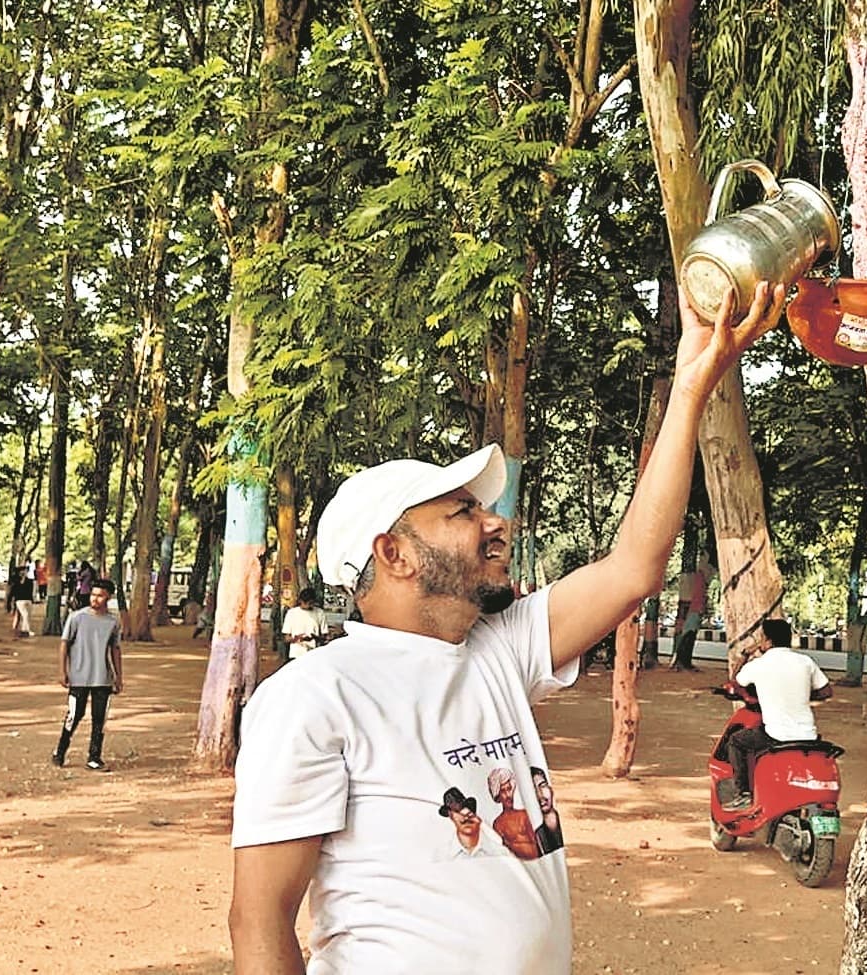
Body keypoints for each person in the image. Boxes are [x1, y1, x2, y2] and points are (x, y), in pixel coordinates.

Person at [227, 281, 784, 974]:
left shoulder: (496, 648)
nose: (497, 522)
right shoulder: (315, 697)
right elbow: (259, 918)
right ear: (392, 553)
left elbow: (635, 566)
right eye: (462, 514)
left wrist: (693, 384)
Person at [722, 618, 833, 810]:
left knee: (736, 742)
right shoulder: (805, 661)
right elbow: (826, 691)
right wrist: (802, 694)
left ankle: (744, 794)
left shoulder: (759, 664)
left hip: (775, 735)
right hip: (808, 735)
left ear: (767, 641)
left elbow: (735, 684)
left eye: (761, 638)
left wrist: (745, 655)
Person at [53, 577, 123, 771]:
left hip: (102, 678)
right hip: (78, 677)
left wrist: (119, 677)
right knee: (74, 715)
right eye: (93, 594)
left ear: (109, 597)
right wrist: (62, 670)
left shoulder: (112, 622)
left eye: (100, 595)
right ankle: (60, 751)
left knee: (99, 719)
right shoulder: (76, 618)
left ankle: (94, 756)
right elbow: (64, 644)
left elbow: (115, 649)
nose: (95, 599)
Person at [486, 766, 541, 859]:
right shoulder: (498, 824)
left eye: (509, 789)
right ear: (498, 796)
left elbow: (536, 848)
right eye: (503, 791)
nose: (508, 795)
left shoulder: (524, 815)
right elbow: (504, 852)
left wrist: (512, 845)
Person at [670, 555, 711, 671]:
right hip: (694, 610)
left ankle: (680, 661)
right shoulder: (699, 577)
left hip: (695, 610)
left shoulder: (701, 578)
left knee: (689, 633)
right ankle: (681, 661)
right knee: (688, 634)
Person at [279, 590, 324, 660]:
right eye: (305, 603)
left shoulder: (320, 613)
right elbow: (286, 638)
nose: (308, 605)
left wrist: (314, 638)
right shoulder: (291, 613)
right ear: (300, 601)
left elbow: (324, 636)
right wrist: (297, 638)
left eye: (310, 603)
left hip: (314, 653)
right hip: (296, 654)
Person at [530, 766, 563, 856]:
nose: (540, 796)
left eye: (543, 786)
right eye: (534, 790)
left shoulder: (566, 824)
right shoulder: (537, 837)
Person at [9, 560, 35, 637]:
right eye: (23, 571)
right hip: (20, 600)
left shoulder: (29, 581)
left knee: (28, 616)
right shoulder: (15, 580)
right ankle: (26, 630)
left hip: (28, 600)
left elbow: (31, 591)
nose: (24, 572)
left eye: (26, 571)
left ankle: (24, 629)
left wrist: (32, 599)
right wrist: (11, 602)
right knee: (25, 615)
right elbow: (14, 591)